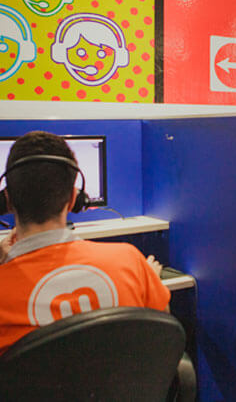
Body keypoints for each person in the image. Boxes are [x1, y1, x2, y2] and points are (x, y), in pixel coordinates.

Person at [0, 131, 170, 355]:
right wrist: (147, 279)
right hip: (119, 379)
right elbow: (163, 335)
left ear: (7, 200)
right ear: (74, 199)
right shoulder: (130, 261)